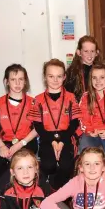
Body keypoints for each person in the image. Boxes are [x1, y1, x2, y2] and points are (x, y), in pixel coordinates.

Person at [0, 64, 38, 209]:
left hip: (26, 144)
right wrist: (2, 146)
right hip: (4, 145)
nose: (17, 83)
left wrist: (21, 143)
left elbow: (37, 129)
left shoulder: (32, 102)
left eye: (21, 79)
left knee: (10, 175)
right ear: (6, 81)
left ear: (26, 82)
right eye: (13, 79)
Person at [27, 59, 81, 190]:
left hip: (67, 137)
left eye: (59, 76)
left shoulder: (71, 97)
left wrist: (61, 141)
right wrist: (52, 141)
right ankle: (50, 185)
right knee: (48, 165)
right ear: (45, 77)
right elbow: (38, 126)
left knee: (66, 166)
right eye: (51, 76)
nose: (55, 80)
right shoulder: (38, 100)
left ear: (64, 77)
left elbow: (75, 122)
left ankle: (59, 192)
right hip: (46, 137)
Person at [65, 35, 103, 103]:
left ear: (97, 53)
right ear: (79, 52)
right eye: (86, 51)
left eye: (92, 51)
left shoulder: (102, 71)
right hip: (79, 110)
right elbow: (68, 96)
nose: (90, 54)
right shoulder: (71, 73)